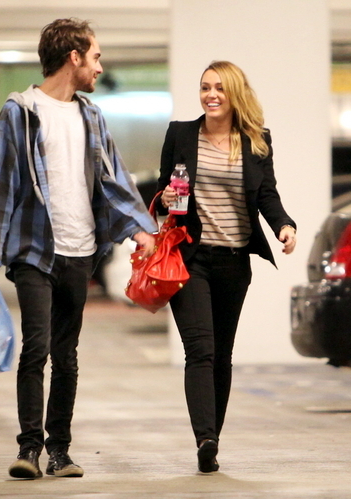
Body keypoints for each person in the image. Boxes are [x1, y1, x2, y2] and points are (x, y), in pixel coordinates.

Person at [0, 18, 157, 480]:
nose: (100, 67)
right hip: (35, 249)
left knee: (67, 353)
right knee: (35, 347)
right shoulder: (20, 112)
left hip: (81, 250)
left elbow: (113, 179)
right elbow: (1, 183)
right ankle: (29, 449)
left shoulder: (91, 116)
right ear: (73, 57)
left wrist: (140, 229)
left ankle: (60, 450)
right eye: (95, 57)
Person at [156, 61, 297, 474]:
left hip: (235, 263)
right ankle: (205, 437)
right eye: (204, 87)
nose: (210, 95)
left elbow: (267, 194)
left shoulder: (256, 140)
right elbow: (166, 187)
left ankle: (210, 443)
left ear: (235, 94)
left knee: (222, 356)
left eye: (219, 88)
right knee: (200, 350)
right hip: (191, 258)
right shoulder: (181, 134)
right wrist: (164, 199)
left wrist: (284, 226)